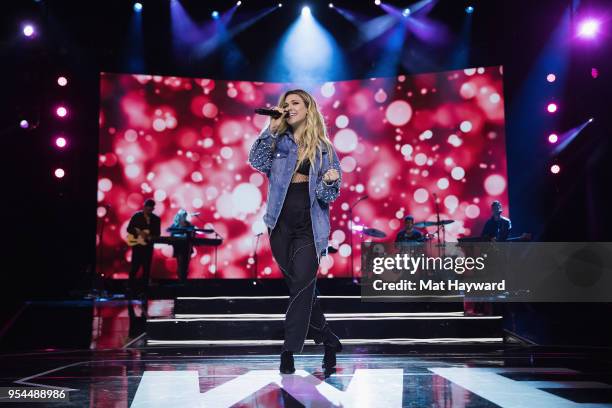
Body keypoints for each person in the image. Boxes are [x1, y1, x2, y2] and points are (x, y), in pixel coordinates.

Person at [248, 89, 343, 374]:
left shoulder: (324, 148)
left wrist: (329, 180)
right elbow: (256, 161)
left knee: (302, 284)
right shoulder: (277, 142)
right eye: (285, 104)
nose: (288, 108)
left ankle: (288, 350)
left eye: (295, 103)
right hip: (279, 224)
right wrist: (270, 130)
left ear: (308, 108)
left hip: (309, 227)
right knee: (300, 289)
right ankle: (328, 339)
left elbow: (330, 195)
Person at [126, 199, 161, 299]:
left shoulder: (156, 219)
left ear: (153, 209)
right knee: (134, 268)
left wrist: (152, 237)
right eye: (147, 208)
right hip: (137, 246)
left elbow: (157, 234)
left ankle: (144, 292)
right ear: (144, 207)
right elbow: (129, 229)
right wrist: (139, 233)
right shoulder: (137, 216)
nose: (148, 210)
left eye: (150, 209)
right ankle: (130, 289)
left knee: (146, 269)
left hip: (148, 247)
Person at [167, 209, 195, 284]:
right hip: (179, 247)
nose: (184, 217)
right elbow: (171, 234)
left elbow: (193, 234)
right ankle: (180, 281)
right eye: (183, 215)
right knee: (180, 265)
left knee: (186, 265)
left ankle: (184, 280)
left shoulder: (189, 224)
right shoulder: (175, 224)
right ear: (179, 216)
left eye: (185, 215)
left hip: (187, 247)